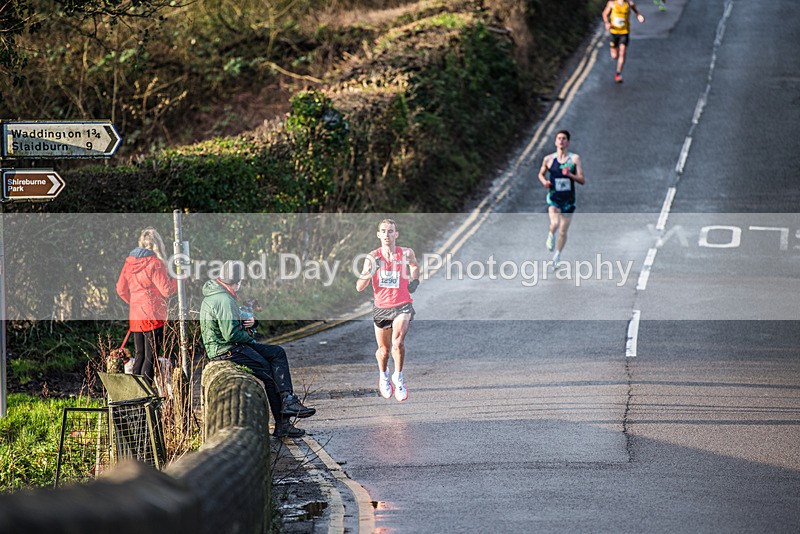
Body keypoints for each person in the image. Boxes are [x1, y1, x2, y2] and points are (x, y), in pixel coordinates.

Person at [199, 260, 315, 438]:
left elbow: (234, 324)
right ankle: (282, 423)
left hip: (230, 346)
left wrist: (253, 323)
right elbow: (230, 334)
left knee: (277, 352)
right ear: (236, 281)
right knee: (268, 374)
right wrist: (251, 337)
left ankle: (288, 399)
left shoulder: (218, 293)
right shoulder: (224, 299)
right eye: (241, 281)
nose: (241, 285)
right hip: (227, 350)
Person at [356, 219, 420, 402]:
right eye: (383, 231)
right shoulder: (372, 257)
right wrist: (371, 270)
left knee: (398, 343)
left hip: (402, 305)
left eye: (390, 231)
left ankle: (398, 377)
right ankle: (384, 376)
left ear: (396, 234)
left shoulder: (406, 253)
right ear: (378, 235)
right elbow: (359, 287)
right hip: (382, 308)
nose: (386, 235)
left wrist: (414, 281)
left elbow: (414, 265)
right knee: (383, 351)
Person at [116, 227, 177, 384]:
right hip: (153, 315)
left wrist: (135, 303)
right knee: (152, 356)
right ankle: (145, 393)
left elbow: (120, 289)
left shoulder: (129, 263)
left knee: (140, 354)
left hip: (136, 315)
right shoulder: (155, 263)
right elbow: (167, 290)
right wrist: (180, 279)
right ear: (158, 244)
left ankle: (135, 393)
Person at [537, 130, 586, 268]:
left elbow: (582, 180)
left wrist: (570, 175)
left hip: (569, 201)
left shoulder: (574, 159)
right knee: (555, 223)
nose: (561, 141)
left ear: (568, 142)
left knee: (564, 231)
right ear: (555, 141)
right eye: (559, 138)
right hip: (554, 198)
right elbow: (540, 174)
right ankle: (551, 235)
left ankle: (557, 256)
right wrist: (544, 182)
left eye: (564, 139)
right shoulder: (548, 159)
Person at [602, 0, 645, 83]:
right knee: (614, 56)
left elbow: (636, 12)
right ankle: (615, 53)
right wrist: (607, 22)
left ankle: (618, 74)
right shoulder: (612, 4)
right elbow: (604, 14)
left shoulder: (629, 4)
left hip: (624, 32)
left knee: (623, 52)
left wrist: (639, 16)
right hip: (614, 32)